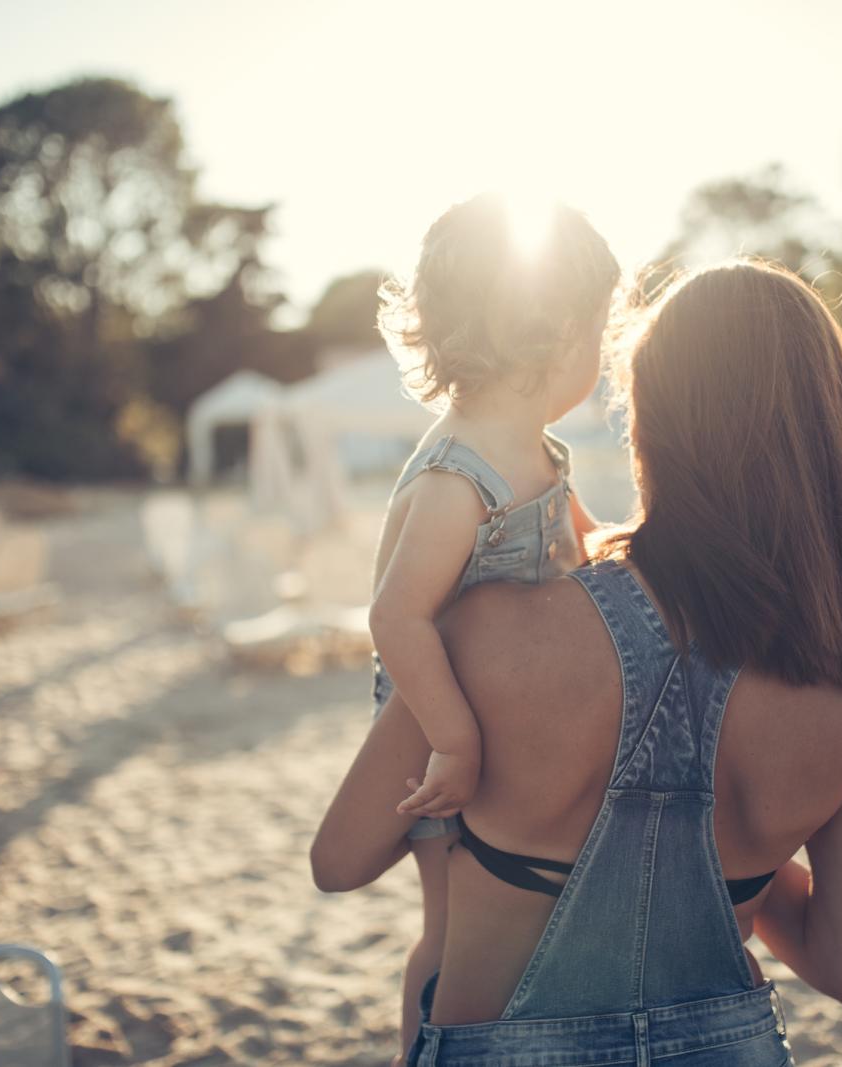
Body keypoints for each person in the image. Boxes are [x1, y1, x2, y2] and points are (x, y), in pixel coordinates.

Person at [315, 259, 842, 1066]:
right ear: (836, 441)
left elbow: (341, 859)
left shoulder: (493, 634)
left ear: (651, 423)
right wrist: (739, 858)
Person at [365, 192, 620, 1061]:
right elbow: (396, 617)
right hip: (438, 722)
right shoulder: (460, 473)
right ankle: (426, 1049)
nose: (605, 353)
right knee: (451, 925)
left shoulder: (540, 452)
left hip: (501, 704)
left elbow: (593, 547)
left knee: (505, 918)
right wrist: (455, 738)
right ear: (550, 331)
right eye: (600, 330)